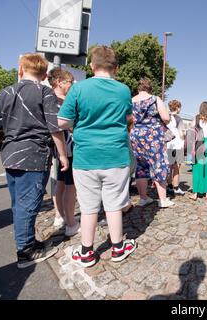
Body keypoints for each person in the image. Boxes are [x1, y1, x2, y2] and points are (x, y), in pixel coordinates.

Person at [58, 46, 137, 267]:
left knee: (89, 206)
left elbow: (62, 122)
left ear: (92, 66)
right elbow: (129, 117)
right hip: (116, 155)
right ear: (116, 68)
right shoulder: (123, 90)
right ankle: (118, 248)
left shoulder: (79, 88)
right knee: (113, 204)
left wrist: (79, 126)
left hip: (86, 157)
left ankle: (86, 252)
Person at [0, 53, 68, 268]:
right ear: (45, 75)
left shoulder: (5, 92)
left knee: (19, 204)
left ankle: (27, 241)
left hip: (10, 155)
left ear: (20, 70)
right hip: (34, 155)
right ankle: (26, 252)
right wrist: (62, 155)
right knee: (28, 205)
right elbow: (55, 128)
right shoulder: (45, 92)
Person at [130, 77, 174, 208]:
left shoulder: (131, 101)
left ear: (139, 88)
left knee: (140, 167)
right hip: (153, 136)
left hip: (136, 136)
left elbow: (128, 119)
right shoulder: (155, 99)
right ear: (150, 88)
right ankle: (163, 199)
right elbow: (165, 118)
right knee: (158, 164)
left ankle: (143, 198)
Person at [47, 68, 80, 237]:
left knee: (60, 183)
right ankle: (71, 223)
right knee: (70, 186)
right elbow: (68, 126)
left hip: (56, 148)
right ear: (60, 82)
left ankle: (59, 216)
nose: (72, 85)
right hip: (67, 147)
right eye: (69, 82)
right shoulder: (62, 101)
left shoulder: (47, 98)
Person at [190, 102, 207, 200]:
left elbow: (192, 133)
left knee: (197, 168)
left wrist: (192, 147)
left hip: (199, 142)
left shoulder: (196, 118)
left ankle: (195, 193)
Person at [166, 100, 186, 196]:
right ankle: (176, 187)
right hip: (177, 144)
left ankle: (169, 186)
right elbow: (182, 133)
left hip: (168, 144)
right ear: (177, 107)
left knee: (169, 166)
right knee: (177, 167)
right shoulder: (178, 118)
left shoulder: (166, 117)